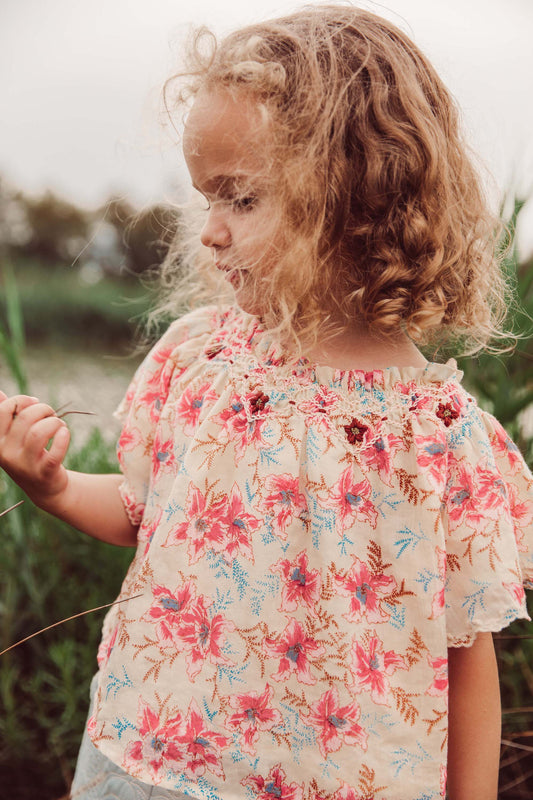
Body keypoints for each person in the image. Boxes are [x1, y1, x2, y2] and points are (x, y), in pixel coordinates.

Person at [0, 6, 532, 799]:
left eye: (240, 199)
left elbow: (465, 655)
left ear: (359, 202)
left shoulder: (441, 438)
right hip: (156, 758)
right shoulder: (204, 359)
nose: (208, 232)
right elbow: (148, 513)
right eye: (206, 198)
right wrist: (55, 487)